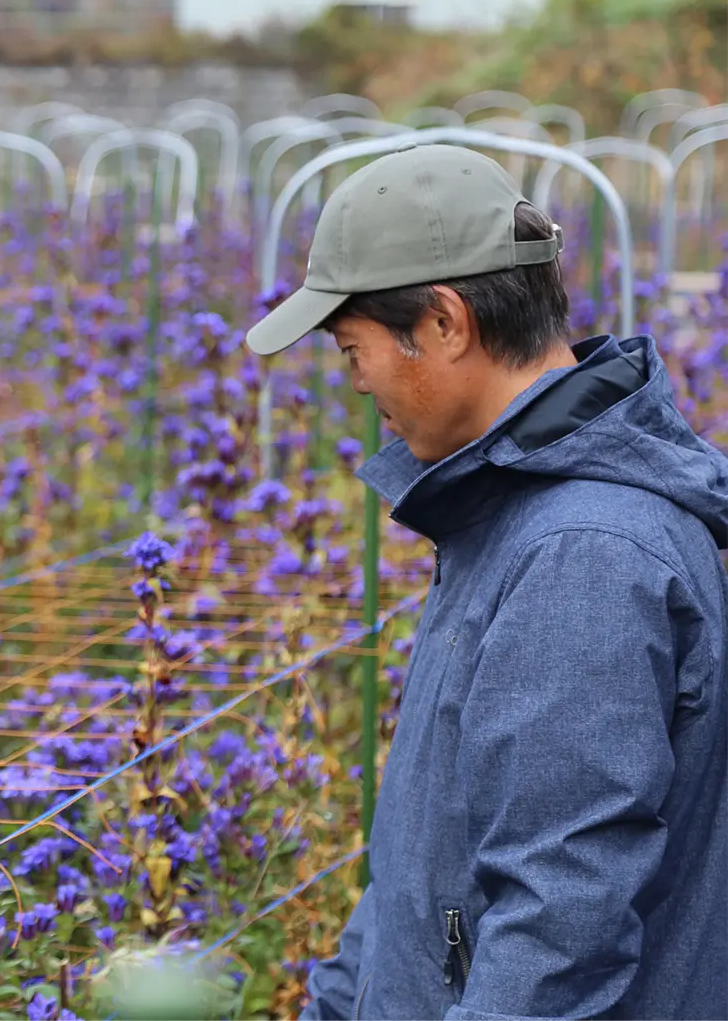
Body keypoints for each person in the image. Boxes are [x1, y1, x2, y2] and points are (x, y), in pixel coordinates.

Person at [246, 143, 728, 1020]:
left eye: (354, 350)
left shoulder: (582, 554)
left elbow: (556, 931)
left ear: (443, 323)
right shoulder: (513, 510)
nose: (357, 385)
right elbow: (424, 871)